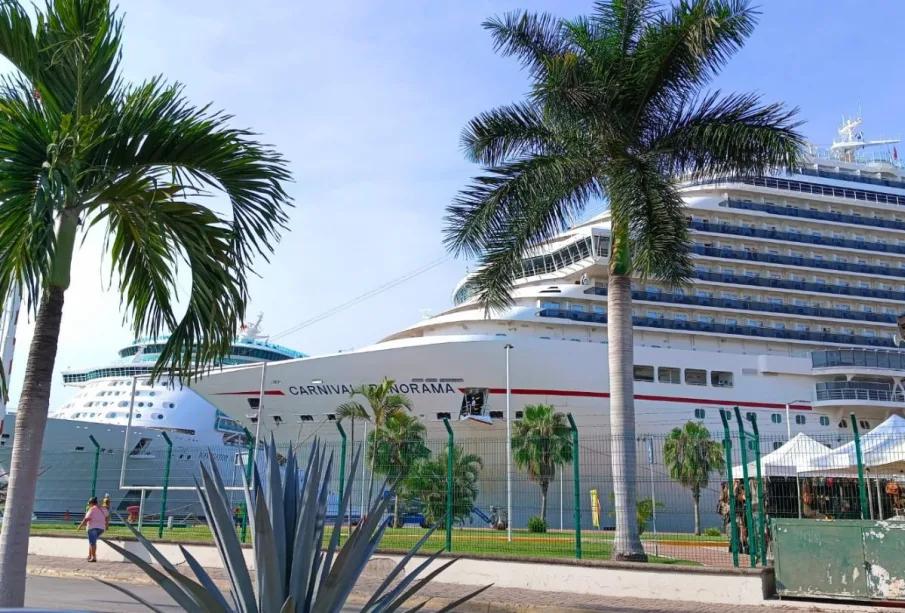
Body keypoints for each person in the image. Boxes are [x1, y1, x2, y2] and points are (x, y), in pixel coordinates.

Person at [77, 497, 108, 562]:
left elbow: (86, 519)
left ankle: (93, 557)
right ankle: (89, 556)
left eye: (89, 504)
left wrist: (80, 526)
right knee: (92, 542)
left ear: (91, 503)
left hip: (92, 527)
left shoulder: (92, 509)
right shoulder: (103, 508)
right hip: (101, 528)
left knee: (92, 543)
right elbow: (107, 517)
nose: (89, 505)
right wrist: (106, 525)